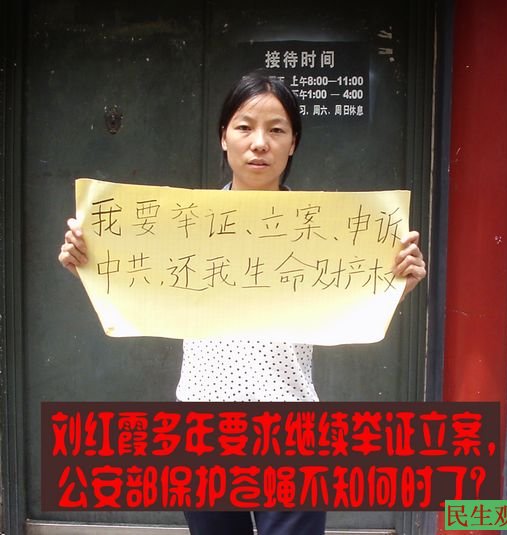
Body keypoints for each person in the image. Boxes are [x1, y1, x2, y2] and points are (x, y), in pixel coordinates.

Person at [58, 70, 426, 535]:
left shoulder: (328, 230)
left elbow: (353, 302)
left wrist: (395, 284)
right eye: (245, 127)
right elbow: (135, 280)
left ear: (293, 144)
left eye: (277, 130)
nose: (259, 143)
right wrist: (89, 261)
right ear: (223, 137)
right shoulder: (181, 224)